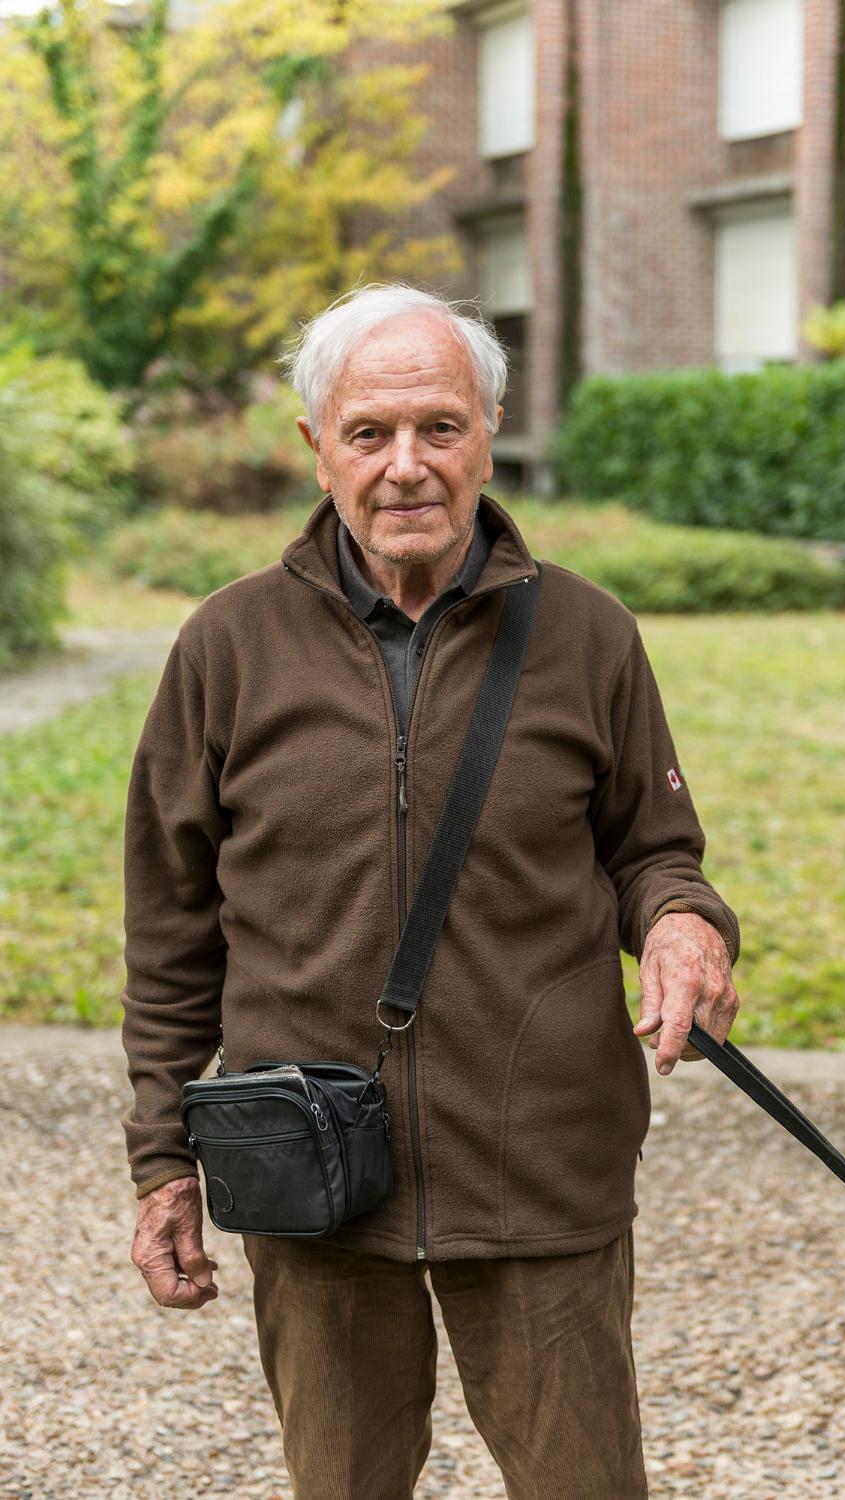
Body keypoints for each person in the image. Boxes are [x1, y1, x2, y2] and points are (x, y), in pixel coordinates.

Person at [121, 282, 742, 1500]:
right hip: (310, 1175)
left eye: (439, 428)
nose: (406, 467)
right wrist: (160, 1158)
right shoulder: (226, 647)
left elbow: (653, 850)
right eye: (369, 434)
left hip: (539, 1162)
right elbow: (169, 927)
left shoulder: (588, 636)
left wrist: (679, 925)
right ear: (317, 450)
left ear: (489, 432)